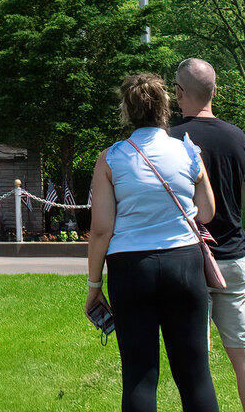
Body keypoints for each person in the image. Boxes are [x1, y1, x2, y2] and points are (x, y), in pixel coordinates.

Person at [87, 73, 219, 412]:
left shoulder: (111, 158)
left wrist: (93, 285)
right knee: (195, 374)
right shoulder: (188, 151)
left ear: (127, 112)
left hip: (130, 268)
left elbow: (101, 229)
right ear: (165, 107)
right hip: (184, 264)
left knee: (140, 375)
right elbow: (206, 212)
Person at [170, 58, 245, 412]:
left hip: (189, 259)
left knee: (198, 362)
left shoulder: (172, 138)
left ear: (180, 93)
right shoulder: (237, 137)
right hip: (233, 257)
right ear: (214, 92)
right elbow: (244, 197)